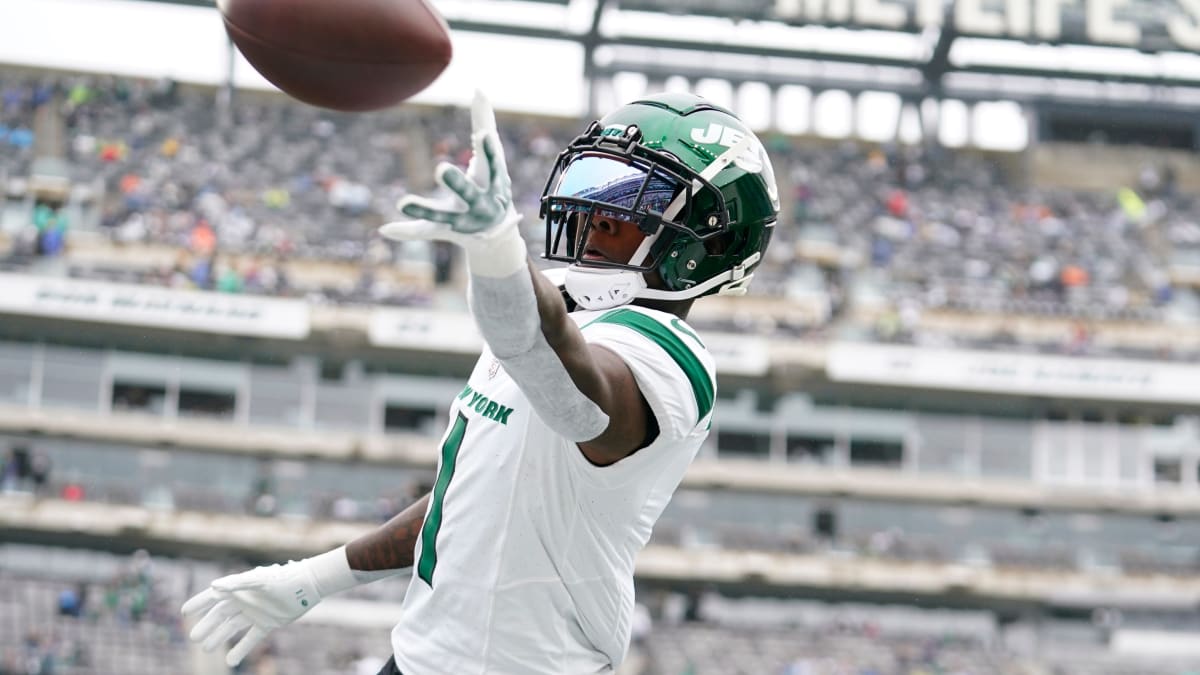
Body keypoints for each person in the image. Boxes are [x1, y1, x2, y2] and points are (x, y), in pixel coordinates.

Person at [181, 90, 779, 675]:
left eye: (629, 201)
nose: (596, 215)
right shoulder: (560, 317)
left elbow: (576, 401)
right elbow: (464, 493)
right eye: (596, 189)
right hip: (417, 657)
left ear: (710, 241)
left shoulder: (670, 356)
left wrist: (501, 258)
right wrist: (316, 578)